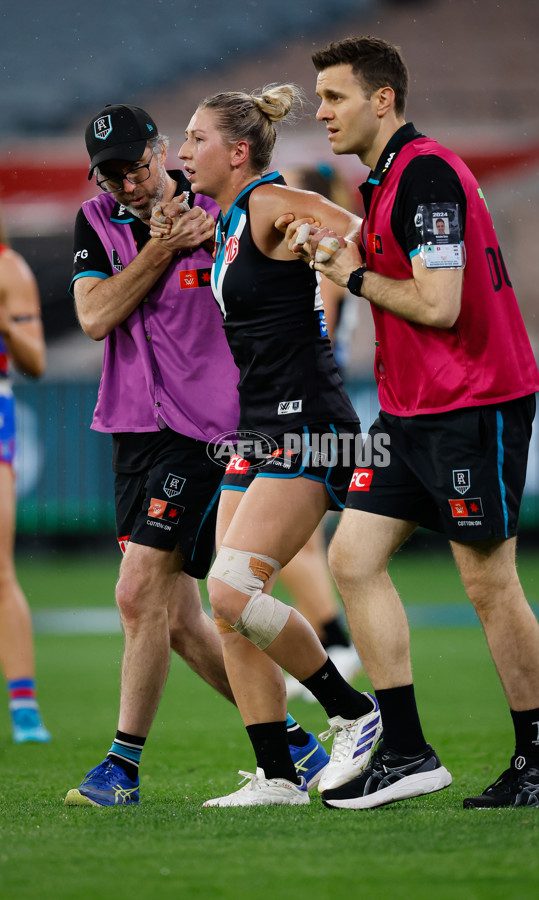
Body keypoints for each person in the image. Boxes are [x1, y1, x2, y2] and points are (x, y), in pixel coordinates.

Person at [279, 35, 539, 810]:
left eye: (335, 97)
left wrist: (354, 274)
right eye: (321, 99)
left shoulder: (427, 174)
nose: (324, 113)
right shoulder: (386, 181)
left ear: (383, 99)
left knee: (488, 581)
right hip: (414, 410)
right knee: (353, 556)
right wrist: (344, 251)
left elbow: (439, 305)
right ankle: (407, 751)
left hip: (472, 404)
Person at [64, 104, 328, 807]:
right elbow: (93, 317)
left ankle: (121, 768)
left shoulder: (216, 206)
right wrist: (160, 250)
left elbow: (272, 265)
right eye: (110, 173)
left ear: (160, 151)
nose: (125, 182)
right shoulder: (97, 221)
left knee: (136, 589)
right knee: (177, 621)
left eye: (136, 164)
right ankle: (294, 745)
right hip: (131, 429)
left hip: (209, 431)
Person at [154, 83, 382, 807]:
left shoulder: (268, 205)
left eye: (195, 140)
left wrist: (333, 249)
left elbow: (361, 232)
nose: (184, 152)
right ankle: (281, 777)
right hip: (260, 429)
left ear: (238, 151)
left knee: (230, 589)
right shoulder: (226, 220)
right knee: (228, 609)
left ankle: (354, 712)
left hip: (309, 427)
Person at [277, 164, 362, 701]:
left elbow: (319, 329)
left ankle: (336, 643)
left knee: (291, 542)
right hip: (322, 399)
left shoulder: (324, 251)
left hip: (308, 404)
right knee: (300, 539)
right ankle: (332, 643)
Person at [0, 213, 50, 744]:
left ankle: (24, 707)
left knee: (0, 569)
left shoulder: (8, 268)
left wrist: (4, 323)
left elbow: (34, 361)